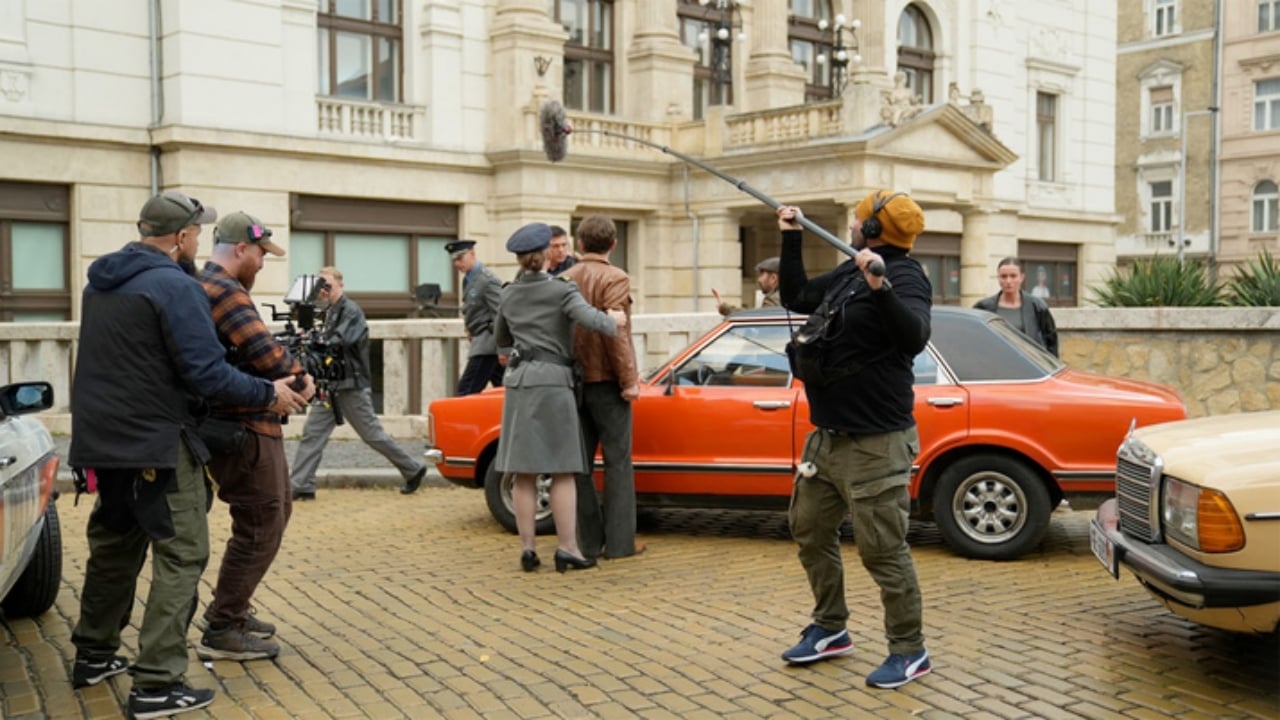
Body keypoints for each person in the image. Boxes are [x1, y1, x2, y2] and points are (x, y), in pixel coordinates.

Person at [68, 191, 308, 718]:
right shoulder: (175, 285)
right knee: (181, 554)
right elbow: (205, 372)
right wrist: (271, 394)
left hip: (101, 442)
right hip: (155, 441)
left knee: (114, 549)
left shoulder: (100, 283)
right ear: (180, 237)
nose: (199, 241)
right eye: (196, 233)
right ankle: (156, 684)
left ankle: (94, 656)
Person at [775, 190, 933, 689]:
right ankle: (830, 627)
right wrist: (791, 238)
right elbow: (796, 297)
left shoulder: (905, 276)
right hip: (828, 439)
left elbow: (914, 338)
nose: (850, 225)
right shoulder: (849, 270)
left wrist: (880, 288)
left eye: (858, 219)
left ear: (871, 230)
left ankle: (910, 650)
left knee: (882, 550)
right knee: (809, 529)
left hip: (877, 442)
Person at [197, 212, 315, 661]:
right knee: (262, 522)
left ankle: (234, 609)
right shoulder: (226, 291)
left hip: (248, 422)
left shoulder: (210, 286)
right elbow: (267, 355)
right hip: (244, 425)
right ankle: (224, 625)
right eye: (262, 254)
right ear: (240, 249)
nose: (264, 263)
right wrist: (303, 379)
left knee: (273, 512)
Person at [491, 222, 627, 573]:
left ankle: (527, 548)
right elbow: (595, 322)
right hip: (554, 382)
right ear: (547, 255)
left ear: (521, 259)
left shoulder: (508, 294)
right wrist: (616, 318)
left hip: (520, 383)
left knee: (524, 472)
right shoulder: (561, 291)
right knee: (564, 470)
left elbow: (501, 344)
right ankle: (567, 549)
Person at [289, 267, 429, 498]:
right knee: (312, 433)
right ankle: (301, 485)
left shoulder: (351, 311)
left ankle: (413, 468)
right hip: (331, 384)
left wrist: (316, 340)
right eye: (320, 286)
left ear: (340, 285)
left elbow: (339, 341)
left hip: (350, 385)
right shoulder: (330, 311)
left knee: (372, 434)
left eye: (328, 285)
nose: (323, 291)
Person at [560, 215, 643, 560]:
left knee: (579, 465)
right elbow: (617, 335)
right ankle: (620, 545)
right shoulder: (615, 277)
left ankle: (587, 542)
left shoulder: (564, 278)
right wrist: (630, 381)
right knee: (618, 463)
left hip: (571, 381)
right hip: (607, 381)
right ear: (613, 244)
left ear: (579, 244)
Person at [449, 240, 505, 395]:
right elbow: (473, 308)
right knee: (506, 389)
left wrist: (503, 348)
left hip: (488, 344)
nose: (457, 263)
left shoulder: (487, 280)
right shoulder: (468, 279)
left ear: (472, 254)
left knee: (466, 391)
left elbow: (500, 314)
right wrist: (469, 327)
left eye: (460, 258)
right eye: (454, 260)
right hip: (481, 340)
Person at [973, 257, 1059, 357]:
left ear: (1022, 277)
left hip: (1029, 364)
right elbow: (974, 338)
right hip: (994, 363)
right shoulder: (983, 307)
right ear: (998, 278)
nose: (1008, 281)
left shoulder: (1037, 306)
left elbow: (1051, 341)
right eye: (1004, 276)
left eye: (1013, 276)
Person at [715, 256, 782, 316]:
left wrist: (724, 308)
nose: (759, 280)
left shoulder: (774, 300)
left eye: (762, 274)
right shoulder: (783, 297)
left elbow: (753, 318)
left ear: (773, 278)